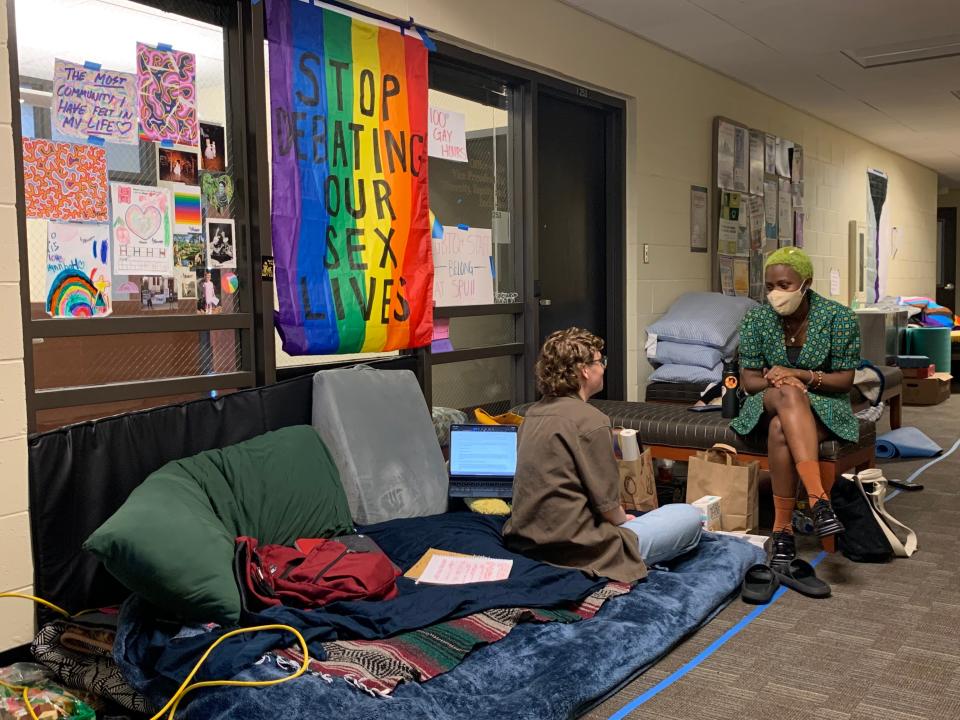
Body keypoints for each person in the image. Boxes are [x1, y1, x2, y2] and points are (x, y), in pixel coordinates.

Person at [503, 327, 703, 582]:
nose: (604, 367)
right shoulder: (593, 421)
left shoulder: (531, 414)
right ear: (585, 370)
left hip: (526, 541)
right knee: (689, 516)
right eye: (600, 361)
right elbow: (608, 507)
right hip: (580, 550)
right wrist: (623, 519)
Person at [731, 247, 860, 569]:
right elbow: (749, 382)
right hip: (766, 401)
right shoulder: (757, 318)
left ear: (806, 283)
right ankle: (819, 500)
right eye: (770, 286)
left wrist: (799, 374)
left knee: (780, 430)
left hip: (826, 406)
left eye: (784, 285)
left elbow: (844, 381)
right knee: (788, 394)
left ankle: (782, 531)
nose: (776, 293)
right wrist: (782, 381)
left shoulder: (838, 317)